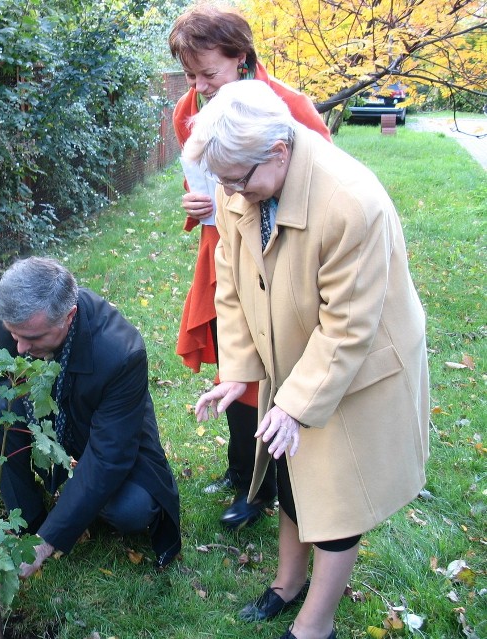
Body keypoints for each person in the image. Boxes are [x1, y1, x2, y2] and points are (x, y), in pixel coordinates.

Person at [189, 80, 429, 639]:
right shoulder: (241, 177)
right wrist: (240, 370)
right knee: (292, 473)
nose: (230, 195)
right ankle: (287, 582)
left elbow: (348, 327)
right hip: (293, 347)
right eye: (222, 183)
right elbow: (233, 275)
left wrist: (294, 405)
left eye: (238, 182)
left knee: (338, 491)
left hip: (360, 362)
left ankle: (316, 622)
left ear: (280, 150)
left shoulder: (351, 201)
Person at [0, 256, 182, 576]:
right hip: (44, 417)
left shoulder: (121, 353)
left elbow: (108, 457)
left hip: (101, 433)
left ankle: (66, 513)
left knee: (132, 510)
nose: (21, 348)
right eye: (15, 335)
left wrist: (46, 544)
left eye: (34, 339)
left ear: (70, 316)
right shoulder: (13, 318)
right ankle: (29, 517)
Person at [168, 5, 333, 531]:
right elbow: (206, 181)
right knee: (233, 362)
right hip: (225, 255)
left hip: (280, 258)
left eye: (209, 73)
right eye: (191, 75)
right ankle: (244, 473)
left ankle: (279, 486)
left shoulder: (288, 108)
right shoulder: (186, 111)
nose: (200, 87)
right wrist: (196, 206)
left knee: (278, 366)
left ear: (241, 59)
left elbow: (323, 182)